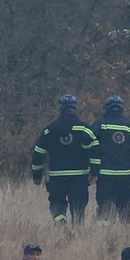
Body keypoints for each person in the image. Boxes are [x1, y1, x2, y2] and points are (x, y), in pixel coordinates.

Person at [30, 94, 100, 224]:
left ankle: (60, 223)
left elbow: (38, 152)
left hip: (57, 177)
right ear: (75, 109)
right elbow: (95, 150)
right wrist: (95, 172)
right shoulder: (84, 129)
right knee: (78, 206)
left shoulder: (50, 129)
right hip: (79, 177)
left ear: (60, 109)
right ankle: (77, 230)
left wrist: (37, 176)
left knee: (57, 203)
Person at [92, 96, 130, 222]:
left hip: (105, 176)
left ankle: (102, 234)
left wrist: (94, 168)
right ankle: (124, 233)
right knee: (125, 208)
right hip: (126, 176)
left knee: (104, 208)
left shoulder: (100, 124)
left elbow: (88, 140)